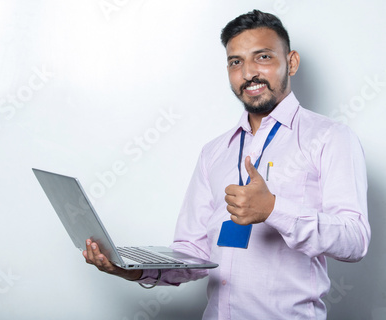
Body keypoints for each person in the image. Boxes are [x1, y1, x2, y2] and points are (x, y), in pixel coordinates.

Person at [83, 9, 370, 320]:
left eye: (262, 57)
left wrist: (274, 209)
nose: (248, 73)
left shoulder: (331, 138)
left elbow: (355, 240)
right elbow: (192, 255)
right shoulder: (214, 152)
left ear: (291, 62)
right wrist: (133, 270)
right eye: (236, 62)